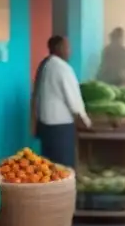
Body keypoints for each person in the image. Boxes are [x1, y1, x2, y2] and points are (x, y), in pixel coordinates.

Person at [32, 35, 91, 167]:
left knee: (49, 168)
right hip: (61, 129)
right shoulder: (63, 68)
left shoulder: (45, 65)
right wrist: (86, 122)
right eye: (67, 47)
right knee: (63, 169)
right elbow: (74, 101)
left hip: (46, 127)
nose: (70, 51)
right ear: (59, 48)